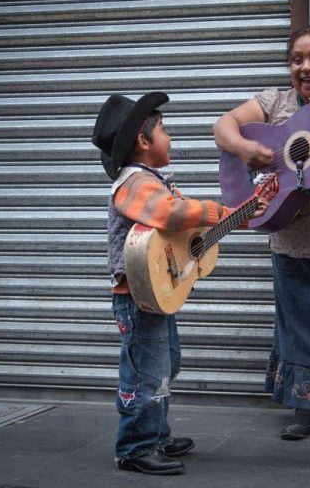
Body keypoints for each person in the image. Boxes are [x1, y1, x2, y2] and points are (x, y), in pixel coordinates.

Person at [91, 91, 267, 475]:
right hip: (135, 297)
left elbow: (188, 229)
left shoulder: (154, 180)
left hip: (152, 295)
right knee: (147, 372)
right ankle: (135, 446)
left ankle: (156, 434)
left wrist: (241, 213)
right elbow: (171, 215)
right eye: (165, 130)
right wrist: (222, 210)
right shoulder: (133, 183)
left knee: (166, 364)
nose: (170, 137)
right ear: (143, 141)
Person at [213, 25, 310, 439]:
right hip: (289, 241)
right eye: (297, 59)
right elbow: (223, 126)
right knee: (295, 330)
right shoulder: (275, 101)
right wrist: (248, 149)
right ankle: (304, 408)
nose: (306, 67)